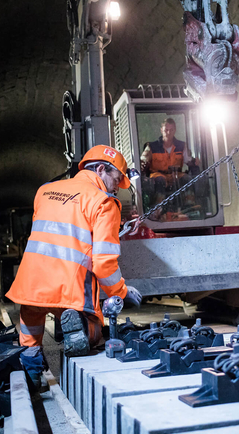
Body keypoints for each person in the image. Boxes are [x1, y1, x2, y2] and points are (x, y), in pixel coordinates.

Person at [7, 145, 142, 387]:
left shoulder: (44, 191)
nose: (116, 187)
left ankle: (30, 369)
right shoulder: (104, 203)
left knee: (31, 328)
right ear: (101, 169)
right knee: (95, 331)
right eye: (116, 179)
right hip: (70, 290)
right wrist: (121, 292)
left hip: (32, 286)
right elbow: (103, 263)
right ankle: (80, 328)